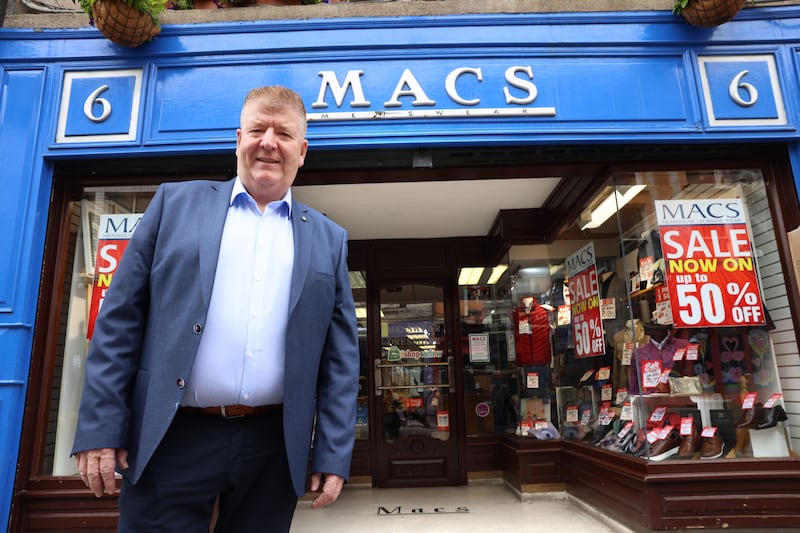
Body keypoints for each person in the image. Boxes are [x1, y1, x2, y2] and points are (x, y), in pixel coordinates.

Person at [71, 85, 360, 532]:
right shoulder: (173, 205)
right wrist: (101, 427)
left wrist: (333, 452)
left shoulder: (329, 238)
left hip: (273, 445)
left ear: (302, 151)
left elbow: (340, 359)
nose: (269, 142)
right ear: (238, 138)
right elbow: (119, 323)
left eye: (284, 134)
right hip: (171, 436)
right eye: (258, 130)